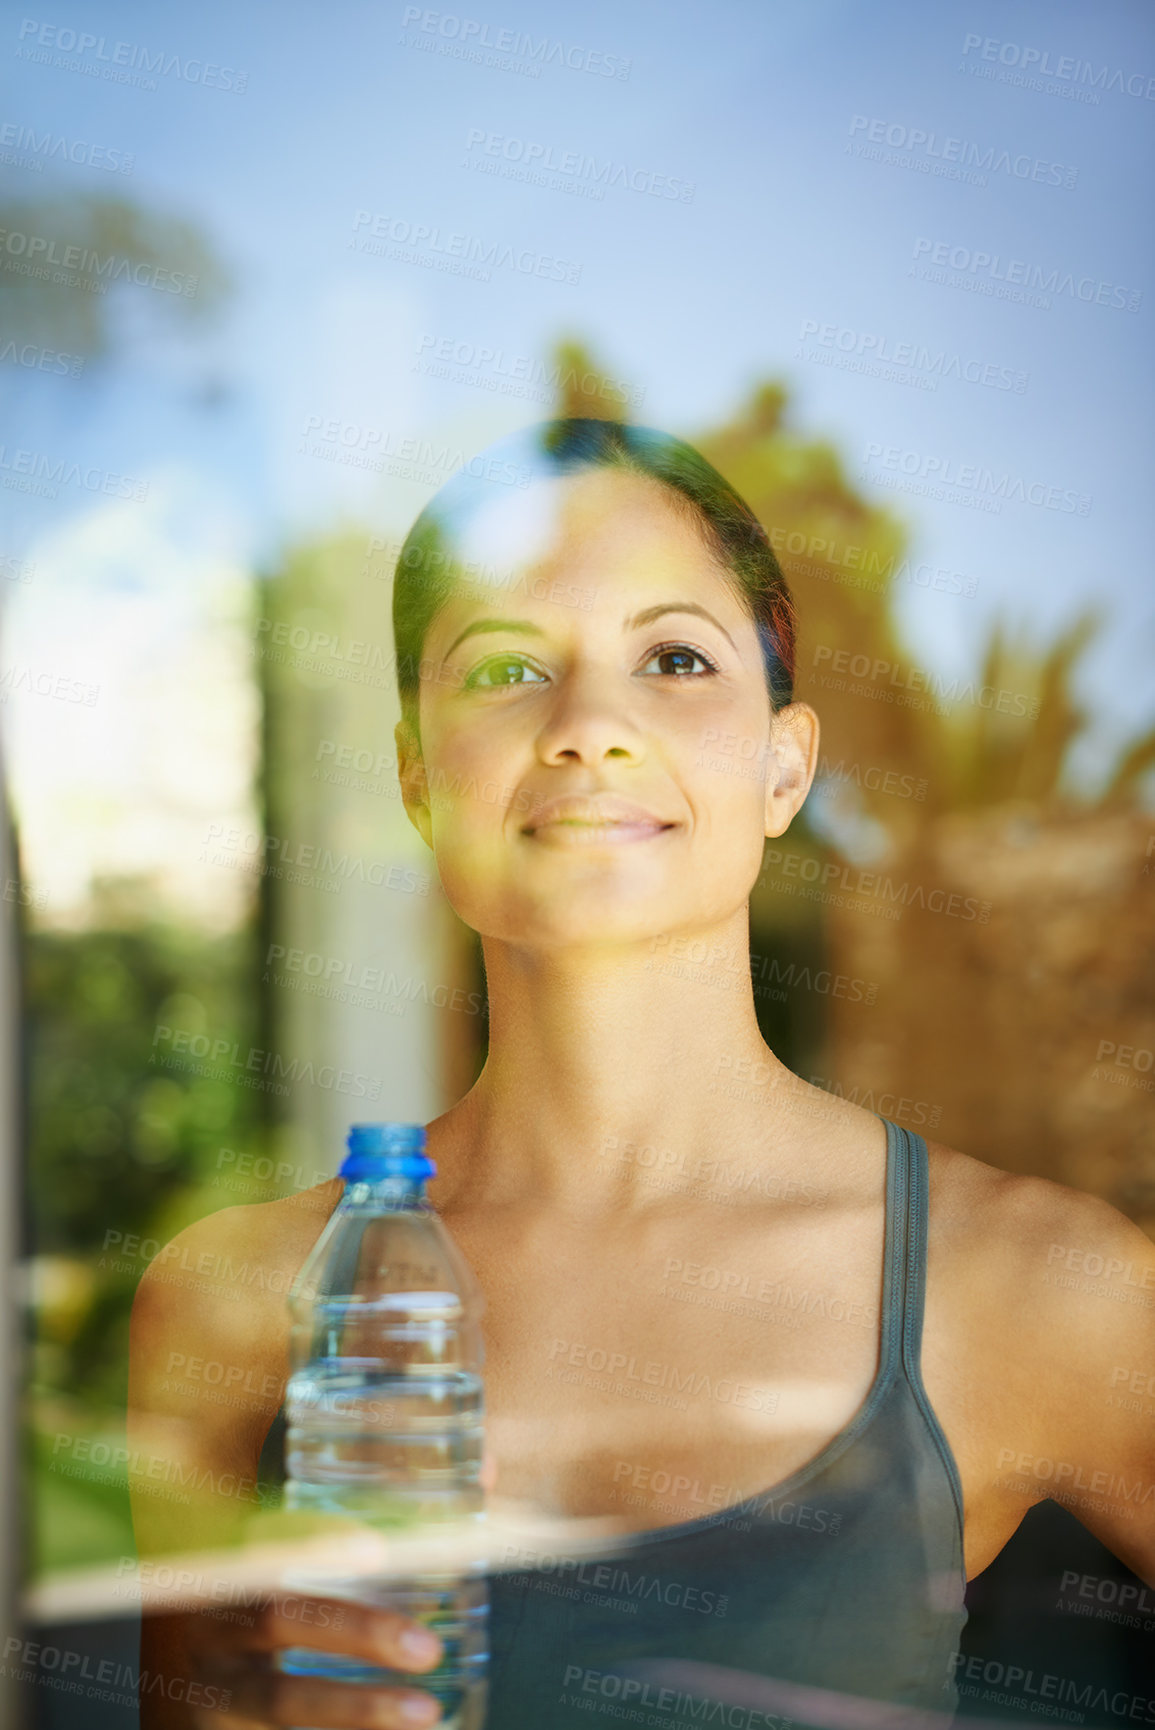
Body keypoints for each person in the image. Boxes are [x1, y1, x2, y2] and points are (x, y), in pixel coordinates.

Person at [129, 419, 1155, 1729]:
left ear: (784, 767)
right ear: (414, 775)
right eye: (507, 666)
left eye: (674, 658)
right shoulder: (235, 1298)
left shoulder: (1039, 1286)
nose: (589, 726)